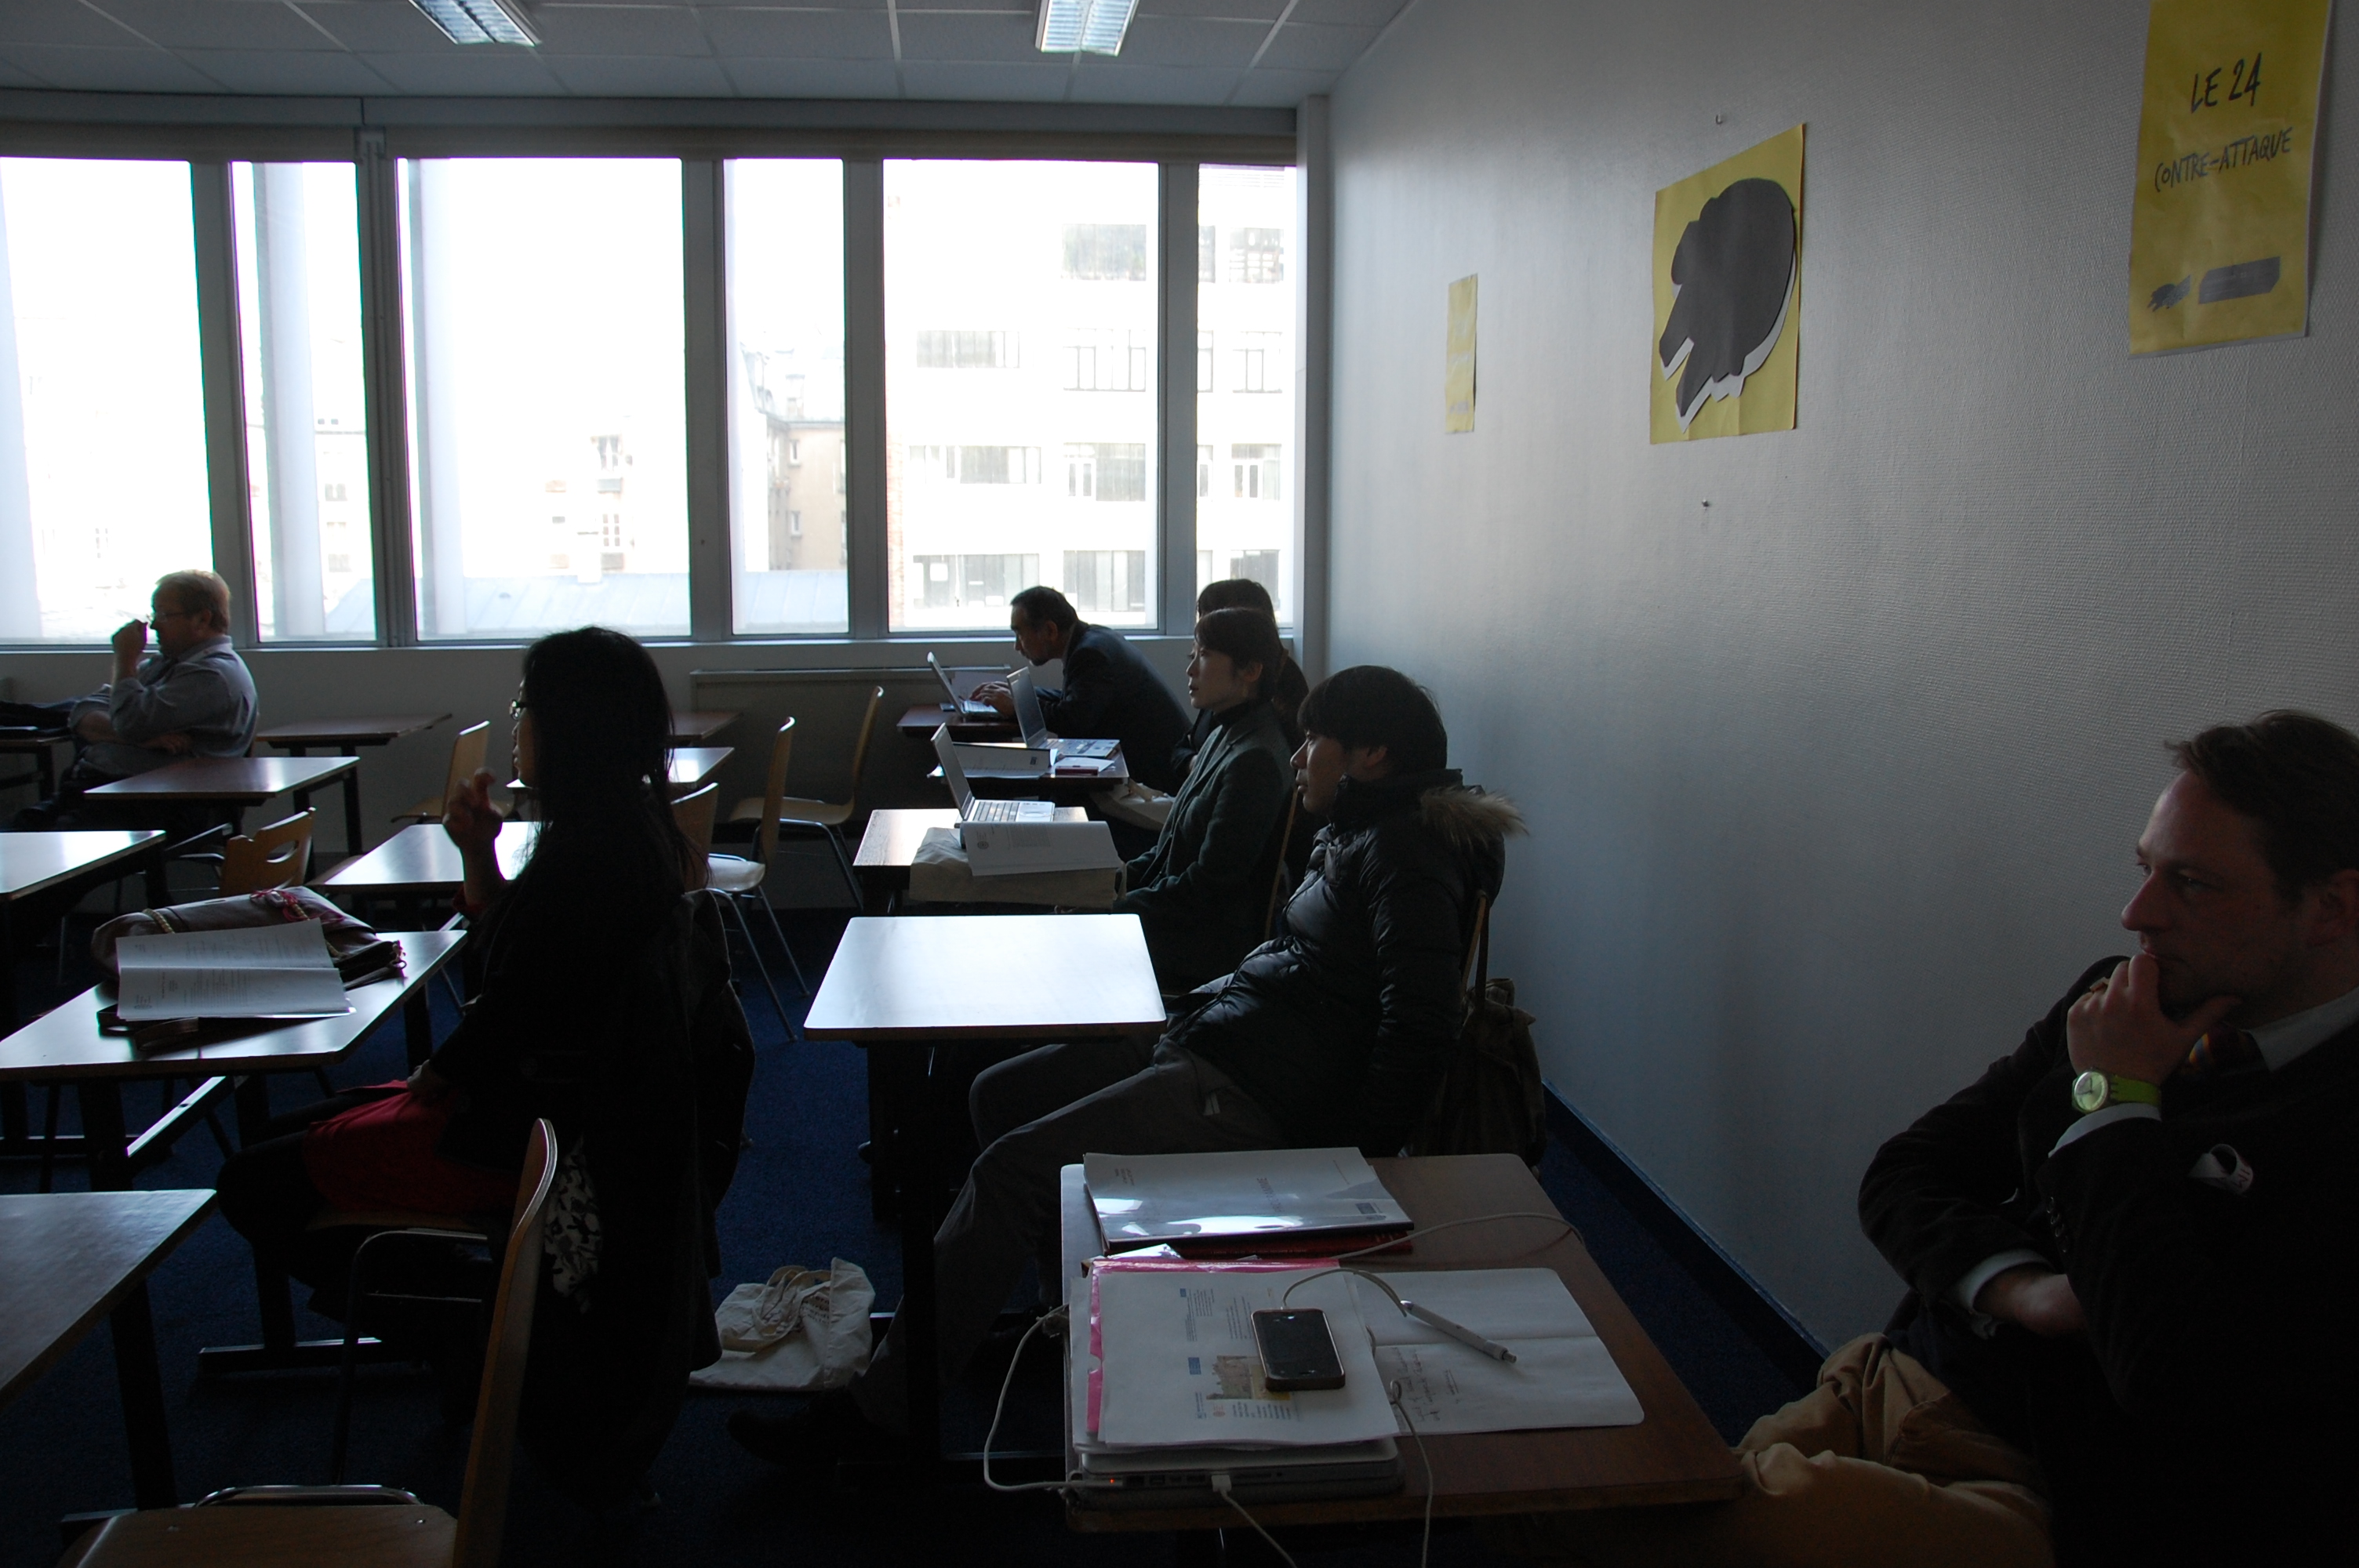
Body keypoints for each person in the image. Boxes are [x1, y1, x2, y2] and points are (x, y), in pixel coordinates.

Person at [1488, 710, 2359, 1568]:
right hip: (1899, 1372)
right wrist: (2023, 1292)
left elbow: (2173, 1374)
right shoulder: (2120, 998)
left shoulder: (2296, 1100)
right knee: (1561, 1495)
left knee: (1573, 1498)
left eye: (2191, 883)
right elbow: (1906, 1172)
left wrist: (2116, 1101)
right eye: (2144, 869)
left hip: (2050, 1483)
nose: (2137, 913)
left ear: (2331, 907)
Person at [730, 665, 1521, 1465]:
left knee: (1011, 1170)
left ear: (1372, 755)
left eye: (1314, 739)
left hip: (1260, 1095)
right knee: (999, 1092)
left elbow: (1420, 1026)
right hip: (1227, 1040)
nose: (1297, 754)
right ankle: (1062, 1318)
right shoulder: (1360, 828)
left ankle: (885, 1417)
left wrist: (1354, 1160)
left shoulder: (1404, 853)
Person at [215, 626, 754, 1504]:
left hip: (535, 1134)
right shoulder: (621, 830)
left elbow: (513, 1006)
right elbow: (527, 964)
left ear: (568, 725)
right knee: (289, 1136)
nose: (515, 724)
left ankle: (477, 1335)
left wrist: (440, 1072)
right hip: (563, 1107)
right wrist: (477, 854)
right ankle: (477, 1325)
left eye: (524, 707)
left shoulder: (593, 855)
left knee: (254, 1180)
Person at [1112, 607, 1298, 992]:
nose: (1191, 669)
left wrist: (1113, 907)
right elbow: (1167, 851)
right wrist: (1108, 882)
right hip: (1172, 920)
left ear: (1250, 670)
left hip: (1198, 946)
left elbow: (1208, 887)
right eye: (1191, 655)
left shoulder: (1256, 760)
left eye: (1205, 655)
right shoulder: (1223, 733)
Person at [8, 569, 257, 833]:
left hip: (153, 806)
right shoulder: (164, 664)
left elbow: (128, 720)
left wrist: (125, 659)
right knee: (14, 833)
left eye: (164, 615)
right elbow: (83, 712)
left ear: (202, 619)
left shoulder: (212, 675)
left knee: (34, 846)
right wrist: (138, 739)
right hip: (106, 792)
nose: (154, 625)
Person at [968, 584, 1190, 792]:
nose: (1017, 645)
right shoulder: (1094, 639)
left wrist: (1019, 707)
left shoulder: (1090, 654)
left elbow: (1073, 720)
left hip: (1154, 779)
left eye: (1020, 634)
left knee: (1053, 788)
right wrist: (1020, 695)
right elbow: (1074, 701)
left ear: (1050, 630)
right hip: (1154, 764)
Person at [1169, 577, 1308, 779]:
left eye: (1216, 616)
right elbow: (1183, 748)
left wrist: (1203, 765)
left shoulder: (1272, 697)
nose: (1206, 627)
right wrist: (1197, 762)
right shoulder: (1218, 694)